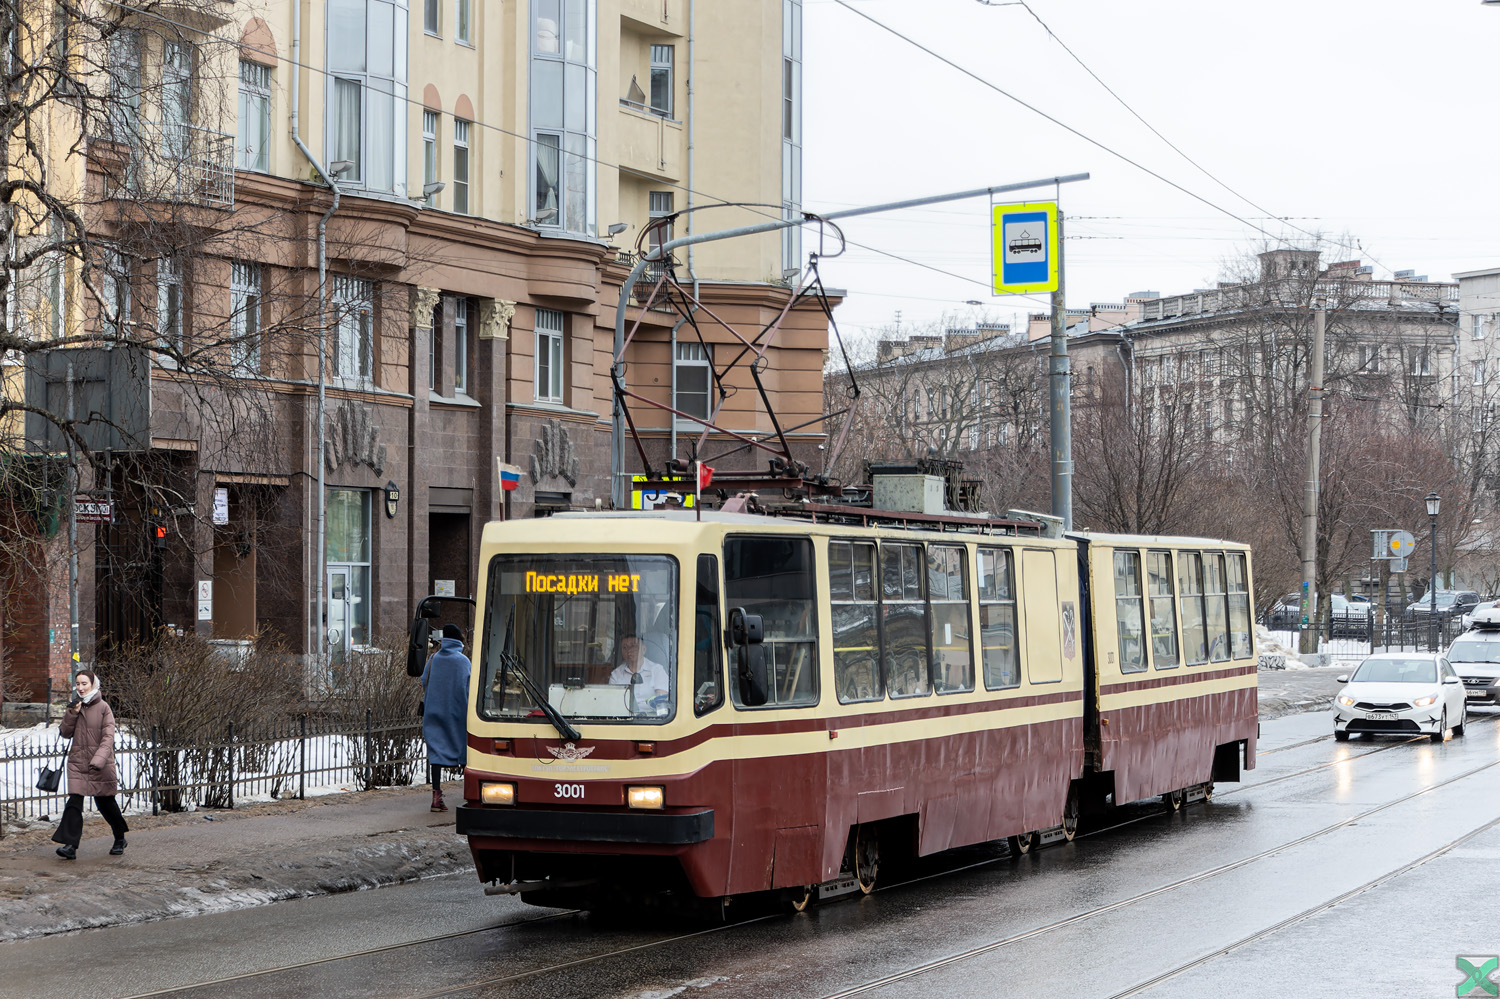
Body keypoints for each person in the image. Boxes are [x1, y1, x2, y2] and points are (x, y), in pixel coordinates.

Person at [52, 670, 129, 860]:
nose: (80, 687)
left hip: (99, 765)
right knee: (74, 802)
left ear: (93, 684)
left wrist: (98, 760)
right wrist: (72, 713)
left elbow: (108, 738)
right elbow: (64, 732)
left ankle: (120, 837)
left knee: (106, 804)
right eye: (78, 684)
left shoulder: (104, 708)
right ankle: (70, 845)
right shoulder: (75, 706)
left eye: (84, 683)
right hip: (78, 763)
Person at [421, 623, 471, 812]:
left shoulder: (433, 659)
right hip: (457, 714)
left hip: (434, 712)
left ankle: (436, 797)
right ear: (459, 640)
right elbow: (469, 686)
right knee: (464, 753)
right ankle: (469, 796)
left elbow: (424, 680)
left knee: (436, 754)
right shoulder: (463, 661)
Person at [609, 634, 670, 713]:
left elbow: (662, 699)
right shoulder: (616, 674)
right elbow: (612, 701)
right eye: (624, 647)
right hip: (623, 718)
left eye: (633, 646)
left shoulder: (656, 670)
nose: (629, 650)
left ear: (643, 649)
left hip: (651, 719)